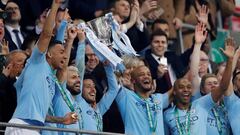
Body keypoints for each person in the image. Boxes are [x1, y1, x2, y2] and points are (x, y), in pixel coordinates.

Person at [5, 1, 76, 134]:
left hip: (33, 128)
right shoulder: (37, 62)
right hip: (22, 126)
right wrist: (55, 5)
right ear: (48, 54)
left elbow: (41, 116)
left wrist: (62, 120)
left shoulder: (49, 75)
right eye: (61, 52)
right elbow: (46, 35)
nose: (65, 56)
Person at [116, 64, 173, 135]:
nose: (146, 76)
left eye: (149, 74)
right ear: (133, 80)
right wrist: (122, 72)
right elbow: (113, 81)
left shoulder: (158, 99)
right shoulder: (125, 96)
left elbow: (179, 87)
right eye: (141, 74)